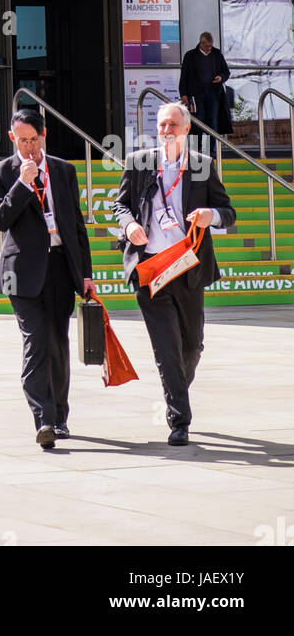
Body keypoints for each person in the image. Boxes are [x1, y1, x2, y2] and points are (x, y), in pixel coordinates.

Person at [112, 101, 236, 446]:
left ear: (186, 130)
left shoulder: (201, 166)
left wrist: (210, 215)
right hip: (150, 268)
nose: (165, 130)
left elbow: (229, 212)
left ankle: (177, 388)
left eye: (172, 126)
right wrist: (131, 224)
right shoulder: (139, 163)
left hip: (187, 268)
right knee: (166, 347)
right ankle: (179, 420)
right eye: (161, 124)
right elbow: (119, 204)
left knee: (191, 346)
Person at [0, 108, 95, 449]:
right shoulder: (0, 174)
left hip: (61, 266)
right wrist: (23, 183)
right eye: (22, 140)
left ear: (44, 135)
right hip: (22, 273)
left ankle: (60, 416)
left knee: (58, 343)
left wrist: (86, 274)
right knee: (35, 342)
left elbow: (76, 226)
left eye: (34, 139)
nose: (29, 146)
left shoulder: (64, 171)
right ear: (11, 138)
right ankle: (43, 419)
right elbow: (0, 219)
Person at [179, 32, 231, 136]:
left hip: (213, 93)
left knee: (212, 122)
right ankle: (197, 148)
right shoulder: (190, 56)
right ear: (201, 44)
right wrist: (183, 94)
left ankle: (209, 150)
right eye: (207, 46)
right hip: (196, 95)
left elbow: (226, 71)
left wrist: (221, 77)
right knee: (197, 121)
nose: (210, 48)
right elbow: (184, 77)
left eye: (211, 46)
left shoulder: (216, 54)